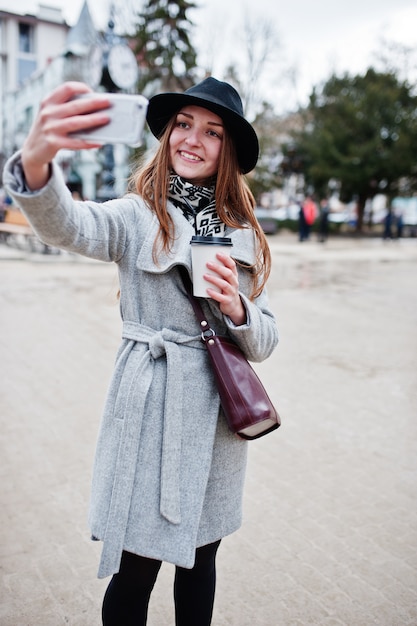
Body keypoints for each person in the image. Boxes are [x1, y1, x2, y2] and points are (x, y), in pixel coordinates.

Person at [3, 77, 278, 625]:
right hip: (152, 408)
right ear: (166, 134)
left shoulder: (242, 231)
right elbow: (71, 226)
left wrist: (239, 310)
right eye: (182, 124)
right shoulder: (136, 215)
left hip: (218, 425)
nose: (191, 139)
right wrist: (36, 163)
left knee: (202, 559)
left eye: (211, 131)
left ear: (228, 150)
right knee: (137, 567)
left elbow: (266, 340)